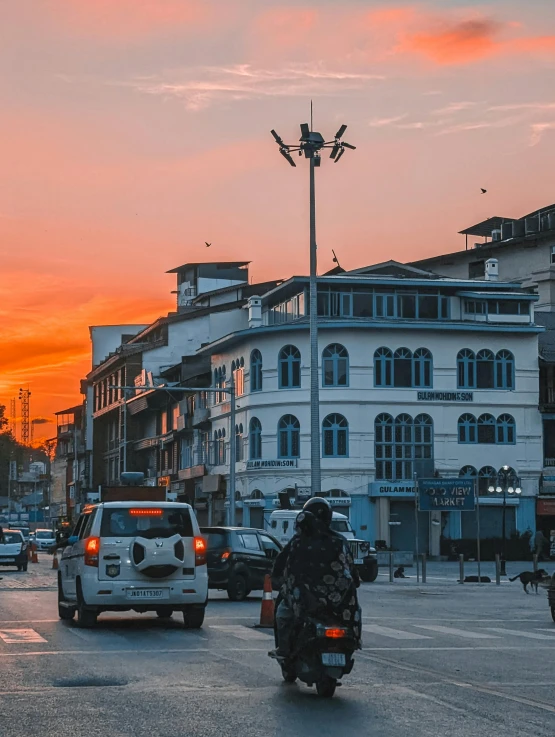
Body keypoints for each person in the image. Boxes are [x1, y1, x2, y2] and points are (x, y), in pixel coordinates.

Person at [270, 497, 361, 657]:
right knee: (355, 610)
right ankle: (352, 642)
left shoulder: (298, 541)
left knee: (283, 613)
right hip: (340, 604)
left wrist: (276, 580)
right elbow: (352, 570)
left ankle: (284, 649)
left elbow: (282, 564)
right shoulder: (341, 541)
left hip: (307, 602)